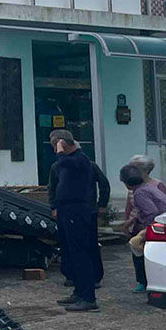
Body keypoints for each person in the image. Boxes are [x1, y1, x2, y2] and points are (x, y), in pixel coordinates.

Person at [47, 129, 102, 312]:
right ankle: (78, 292)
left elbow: (63, 161)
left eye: (55, 146)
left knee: (80, 253)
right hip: (65, 210)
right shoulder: (68, 162)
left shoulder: (81, 159)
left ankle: (88, 297)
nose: (55, 151)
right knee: (70, 253)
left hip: (77, 211)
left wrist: (61, 148)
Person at [119, 163, 166, 293]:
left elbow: (151, 212)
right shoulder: (147, 187)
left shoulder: (139, 193)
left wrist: (147, 233)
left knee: (135, 245)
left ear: (126, 183)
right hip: (163, 221)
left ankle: (143, 280)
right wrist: (130, 222)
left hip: (157, 224)